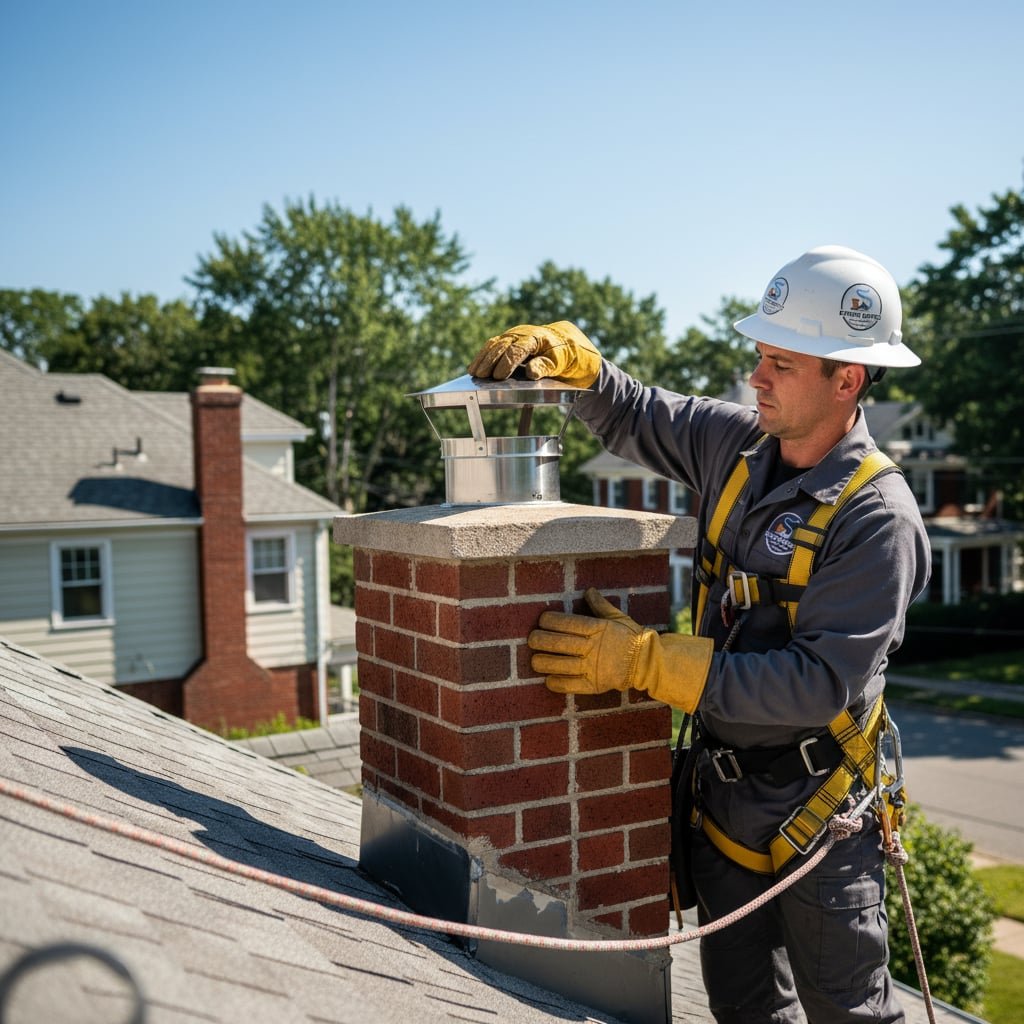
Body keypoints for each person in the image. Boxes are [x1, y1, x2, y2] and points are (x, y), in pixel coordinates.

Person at [467, 245, 931, 1024]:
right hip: (721, 802)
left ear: (846, 379)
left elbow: (814, 685)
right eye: (760, 356)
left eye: (781, 362)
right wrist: (583, 370)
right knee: (744, 1011)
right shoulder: (737, 447)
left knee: (850, 1014)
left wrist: (646, 662)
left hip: (818, 817)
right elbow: (639, 413)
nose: (757, 377)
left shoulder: (877, 519)